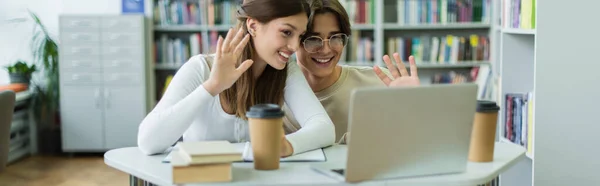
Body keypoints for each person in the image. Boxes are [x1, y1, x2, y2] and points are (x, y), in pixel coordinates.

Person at [137, 0, 335, 156]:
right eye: (286, 32)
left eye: (299, 36)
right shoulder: (200, 68)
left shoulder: (286, 71)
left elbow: (324, 128)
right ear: (253, 25)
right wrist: (212, 87)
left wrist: (286, 146)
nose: (294, 46)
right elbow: (148, 141)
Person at [283, 0, 421, 143]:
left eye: (335, 37)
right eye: (312, 39)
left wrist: (413, 105)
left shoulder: (380, 82)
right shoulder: (273, 90)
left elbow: (414, 141)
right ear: (294, 41)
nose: (325, 50)